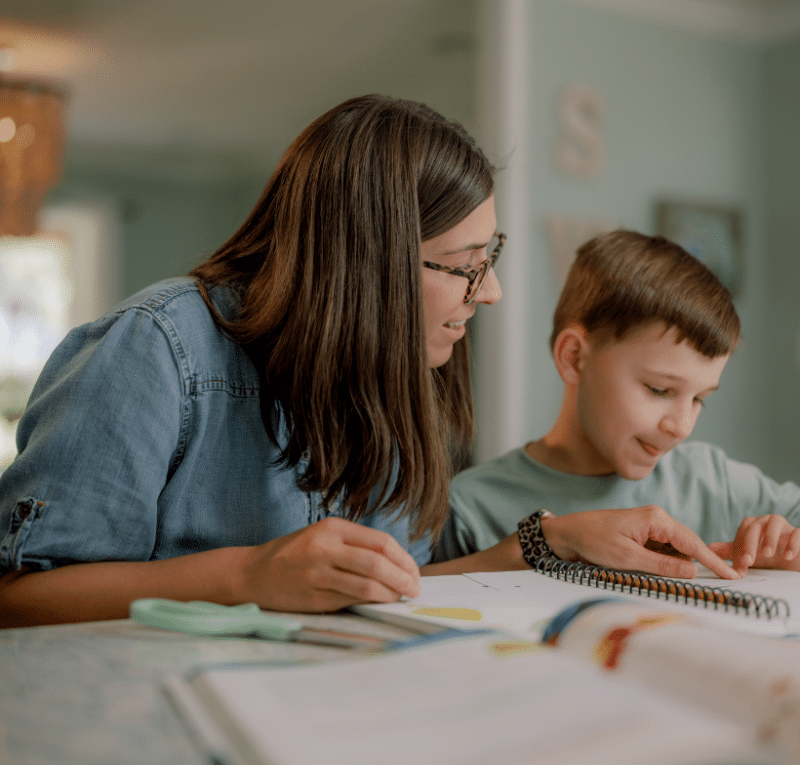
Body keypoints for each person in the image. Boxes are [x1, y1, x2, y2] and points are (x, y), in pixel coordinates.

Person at [0, 99, 736, 628]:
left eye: (492, 259)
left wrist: (546, 544)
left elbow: (390, 584)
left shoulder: (397, 375)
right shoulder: (156, 349)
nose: (494, 293)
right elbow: (16, 599)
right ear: (363, 261)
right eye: (463, 266)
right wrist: (246, 576)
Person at [436, 229, 800, 575]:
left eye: (700, 399)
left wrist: (785, 542)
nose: (682, 426)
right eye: (659, 390)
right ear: (575, 358)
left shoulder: (713, 481)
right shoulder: (472, 506)